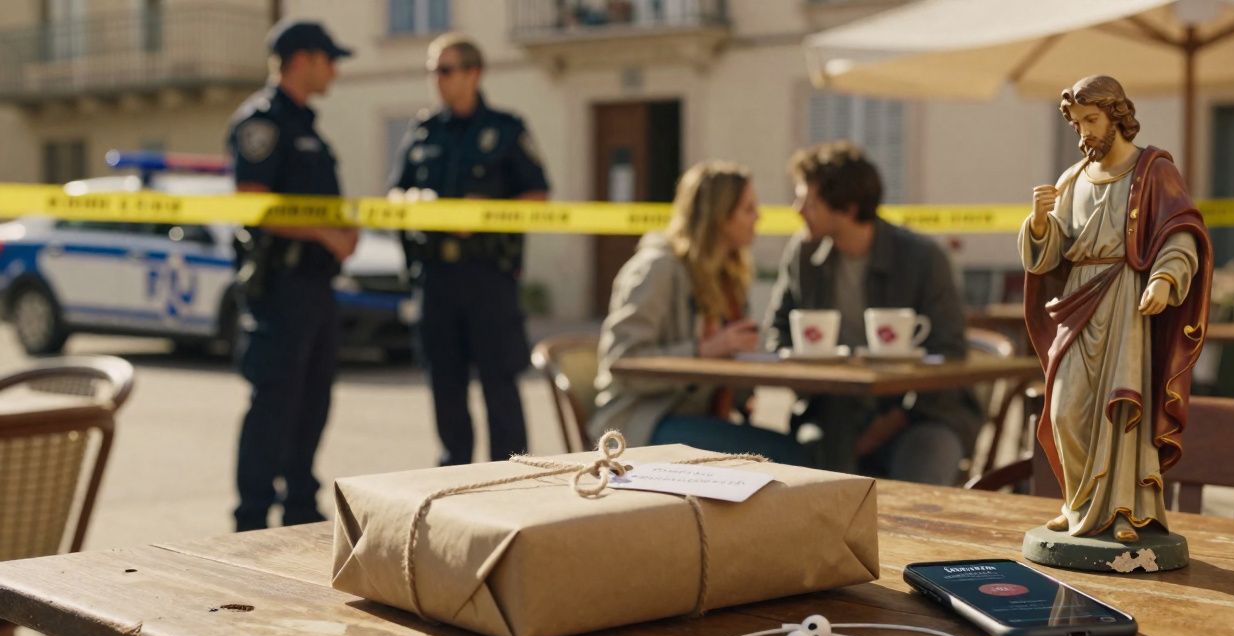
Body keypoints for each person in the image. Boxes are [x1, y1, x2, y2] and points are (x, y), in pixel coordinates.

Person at [1021, 75, 1213, 543]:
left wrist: (1166, 279)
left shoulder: (1154, 170)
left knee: (1124, 407)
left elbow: (1181, 232)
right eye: (1078, 124)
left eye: (1092, 119)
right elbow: (1051, 259)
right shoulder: (1071, 179)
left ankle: (1128, 511)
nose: (1085, 132)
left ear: (1116, 116)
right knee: (1066, 409)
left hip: (1128, 296)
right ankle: (1078, 503)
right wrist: (1041, 222)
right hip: (1080, 299)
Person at [765, 141, 980, 482]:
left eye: (810, 200)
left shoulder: (923, 258)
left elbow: (950, 350)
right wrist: (801, 366)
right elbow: (777, 331)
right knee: (814, 473)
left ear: (847, 208)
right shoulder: (803, 255)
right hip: (833, 412)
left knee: (922, 472)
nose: (797, 209)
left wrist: (896, 419)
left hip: (922, 415)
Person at [388, 32, 549, 466]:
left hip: (487, 277)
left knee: (500, 385)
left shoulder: (505, 130)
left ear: (473, 73)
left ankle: (511, 477)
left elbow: (539, 198)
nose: (435, 79)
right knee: (445, 384)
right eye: (432, 70)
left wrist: (488, 212)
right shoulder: (422, 131)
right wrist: (410, 205)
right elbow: (394, 195)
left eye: (445, 69)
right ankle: (453, 477)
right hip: (436, 279)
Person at [227, 19, 358, 531]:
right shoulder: (263, 122)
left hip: (316, 287)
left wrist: (347, 230)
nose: (337, 69)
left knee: (314, 400)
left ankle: (301, 505)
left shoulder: (307, 126)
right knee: (274, 402)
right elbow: (254, 204)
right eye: (331, 59)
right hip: (280, 287)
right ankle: (252, 517)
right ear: (303, 59)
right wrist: (326, 234)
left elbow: (321, 204)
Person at [592, 161, 808, 464]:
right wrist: (705, 349)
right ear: (719, 216)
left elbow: (729, 358)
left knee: (799, 446)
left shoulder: (727, 276)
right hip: (643, 422)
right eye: (748, 209)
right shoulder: (658, 268)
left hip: (697, 415)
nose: (758, 217)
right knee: (785, 454)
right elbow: (621, 361)